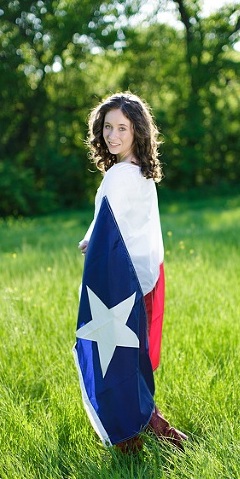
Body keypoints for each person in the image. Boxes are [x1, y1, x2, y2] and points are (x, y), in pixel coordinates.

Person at [79, 92, 188, 451]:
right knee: (133, 356)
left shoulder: (121, 175)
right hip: (144, 275)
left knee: (122, 360)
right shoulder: (138, 170)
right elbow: (113, 218)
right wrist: (91, 237)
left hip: (126, 280)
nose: (112, 136)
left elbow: (113, 217)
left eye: (121, 128)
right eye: (107, 127)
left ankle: (140, 433)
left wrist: (94, 239)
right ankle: (148, 427)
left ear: (137, 131)